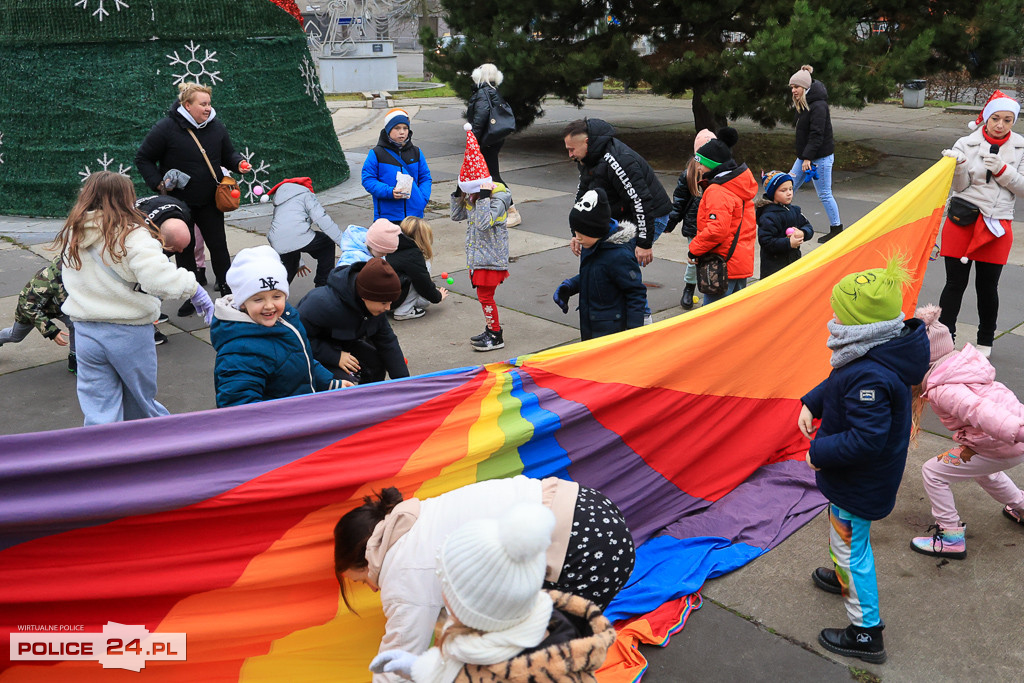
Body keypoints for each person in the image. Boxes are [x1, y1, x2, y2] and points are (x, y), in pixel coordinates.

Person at [333, 475, 633, 681]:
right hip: (587, 506)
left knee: (543, 662)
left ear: (365, 556)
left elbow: (397, 656)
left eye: (360, 580)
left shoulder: (402, 573)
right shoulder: (416, 518)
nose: (371, 588)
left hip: (584, 545)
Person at [798, 255, 930, 664]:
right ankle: (842, 578)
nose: (833, 314)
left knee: (854, 547)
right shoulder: (875, 349)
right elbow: (841, 379)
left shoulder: (872, 373)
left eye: (840, 309)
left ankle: (866, 632)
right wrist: (814, 401)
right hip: (856, 480)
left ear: (859, 321)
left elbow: (866, 439)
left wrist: (818, 453)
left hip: (861, 479)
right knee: (843, 537)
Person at [55, 172, 214, 425]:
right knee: (140, 403)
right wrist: (193, 289)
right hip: (127, 332)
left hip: (85, 331)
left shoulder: (73, 234)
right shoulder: (131, 234)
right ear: (127, 197)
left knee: (98, 408)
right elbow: (158, 278)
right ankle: (150, 452)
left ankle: (101, 456)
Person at [908, 305, 1024, 559]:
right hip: (1002, 443)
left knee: (933, 472)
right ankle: (1021, 507)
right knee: (986, 472)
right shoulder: (962, 366)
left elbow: (980, 410)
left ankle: (950, 537)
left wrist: (1017, 430)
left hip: (1003, 439)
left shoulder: (944, 389)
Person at [135, 82, 252, 316]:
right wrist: (158, 183)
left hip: (210, 200)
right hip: (179, 205)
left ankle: (228, 292)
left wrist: (238, 162)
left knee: (219, 247)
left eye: (209, 103)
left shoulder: (216, 127)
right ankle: (191, 296)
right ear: (187, 105)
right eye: (203, 104)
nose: (208, 108)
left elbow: (227, 153)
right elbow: (143, 157)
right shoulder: (166, 128)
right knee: (184, 250)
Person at [938, 90, 1024, 358]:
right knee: (954, 284)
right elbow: (959, 186)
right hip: (962, 220)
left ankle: (985, 340)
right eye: (995, 118)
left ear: (1014, 121)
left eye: (1008, 120)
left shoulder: (1021, 147)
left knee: (987, 287)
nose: (1000, 125)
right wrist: (960, 166)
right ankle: (944, 337)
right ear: (986, 117)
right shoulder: (965, 142)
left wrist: (1002, 170)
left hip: (996, 225)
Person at [210, 246, 348, 407]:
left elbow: (300, 358)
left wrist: (329, 383)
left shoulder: (286, 318)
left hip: (299, 415)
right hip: (281, 427)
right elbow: (239, 410)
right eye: (258, 299)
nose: (269, 306)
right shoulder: (239, 352)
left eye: (277, 296)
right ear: (242, 304)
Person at [563, 118, 672, 267]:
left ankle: (627, 287)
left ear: (586, 142)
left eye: (571, 149)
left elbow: (640, 201)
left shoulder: (618, 160)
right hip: (623, 211)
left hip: (651, 214)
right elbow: (584, 196)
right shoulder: (586, 158)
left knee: (618, 262)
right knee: (602, 258)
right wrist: (577, 232)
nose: (570, 154)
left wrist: (644, 243)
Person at [296, 257, 409, 385]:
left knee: (375, 365)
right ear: (365, 296)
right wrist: (335, 356)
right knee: (345, 382)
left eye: (390, 302)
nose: (388, 308)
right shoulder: (320, 304)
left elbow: (387, 341)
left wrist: (404, 383)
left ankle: (372, 400)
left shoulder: (375, 305)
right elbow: (297, 340)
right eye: (384, 302)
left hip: (346, 343)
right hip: (313, 354)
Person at [553, 188, 647, 340]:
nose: (576, 238)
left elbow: (635, 293)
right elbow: (594, 273)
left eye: (580, 234)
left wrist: (633, 333)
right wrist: (570, 285)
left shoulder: (619, 256)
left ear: (595, 231)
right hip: (591, 325)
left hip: (611, 332)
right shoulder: (590, 245)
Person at [451, 123, 512, 351]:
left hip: (491, 258)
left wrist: (484, 196)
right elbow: (456, 216)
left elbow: (484, 224)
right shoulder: (472, 196)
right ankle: (491, 328)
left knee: (486, 298)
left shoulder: (498, 199)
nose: (466, 196)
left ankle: (496, 335)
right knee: (484, 298)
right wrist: (458, 193)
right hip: (478, 257)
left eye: (468, 191)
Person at [687, 127, 757, 305]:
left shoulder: (718, 191)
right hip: (739, 263)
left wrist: (694, 249)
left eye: (701, 163)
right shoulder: (738, 185)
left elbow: (717, 229)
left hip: (722, 266)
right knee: (734, 317)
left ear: (712, 164)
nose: (700, 168)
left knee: (712, 319)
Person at [788, 65, 843, 244]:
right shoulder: (807, 101)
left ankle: (837, 229)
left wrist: (807, 158)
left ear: (804, 87)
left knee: (824, 194)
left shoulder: (818, 105)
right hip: (805, 156)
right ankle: (782, 222)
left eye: (796, 87)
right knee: (787, 187)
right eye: (792, 87)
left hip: (819, 157)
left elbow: (817, 134)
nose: (793, 90)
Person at [135, 193, 199, 345]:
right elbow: (151, 277)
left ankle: (153, 312)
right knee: (148, 285)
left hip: (156, 224)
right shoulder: (139, 233)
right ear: (160, 240)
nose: (180, 252)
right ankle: (147, 326)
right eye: (176, 248)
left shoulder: (182, 212)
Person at [666, 128, 716, 309]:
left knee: (713, 259)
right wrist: (670, 222)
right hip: (694, 225)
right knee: (695, 260)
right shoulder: (689, 174)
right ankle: (689, 288)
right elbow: (679, 201)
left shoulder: (720, 174)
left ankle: (712, 289)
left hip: (713, 224)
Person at [466, 63, 521, 227]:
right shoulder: (493, 91)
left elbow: (479, 119)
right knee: (487, 175)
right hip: (492, 139)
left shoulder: (483, 93)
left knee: (492, 176)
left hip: (486, 141)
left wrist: (472, 141)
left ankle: (511, 210)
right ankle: (497, 208)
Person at [0, 259, 76, 373]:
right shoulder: (47, 280)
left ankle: (75, 357)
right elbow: (28, 306)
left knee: (75, 323)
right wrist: (52, 331)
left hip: (58, 306)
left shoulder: (78, 273)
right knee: (15, 336)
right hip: (32, 308)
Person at [266, 177, 344, 286]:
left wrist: (299, 262)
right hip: (297, 236)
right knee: (327, 244)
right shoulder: (306, 195)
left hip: (277, 242)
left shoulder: (281, 201)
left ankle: (274, 293)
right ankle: (323, 285)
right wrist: (344, 243)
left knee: (289, 268)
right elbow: (322, 219)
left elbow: (288, 231)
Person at [361, 108, 433, 222]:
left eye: (405, 128)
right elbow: (368, 180)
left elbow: (425, 177)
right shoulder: (376, 153)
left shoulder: (416, 152)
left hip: (414, 217)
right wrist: (389, 192)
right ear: (388, 130)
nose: (402, 132)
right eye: (397, 128)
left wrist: (422, 198)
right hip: (387, 217)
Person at [386, 217, 448, 321]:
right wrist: (438, 296)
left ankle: (400, 306)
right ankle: (403, 311)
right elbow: (423, 283)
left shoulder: (392, 245)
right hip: (392, 299)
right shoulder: (413, 254)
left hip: (381, 297)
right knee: (417, 276)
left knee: (424, 300)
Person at [756, 170, 813, 279]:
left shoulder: (795, 210)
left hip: (793, 264)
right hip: (774, 269)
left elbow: (808, 226)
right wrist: (788, 243)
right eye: (783, 190)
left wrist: (803, 233)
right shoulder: (768, 216)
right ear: (773, 193)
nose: (789, 193)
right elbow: (766, 242)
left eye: (791, 189)